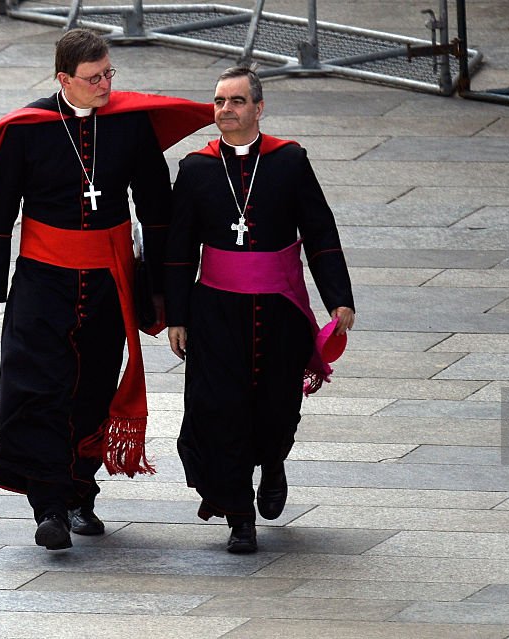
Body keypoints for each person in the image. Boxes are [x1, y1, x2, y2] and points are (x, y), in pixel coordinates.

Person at [0, 28, 213, 551]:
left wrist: (165, 293)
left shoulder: (129, 126)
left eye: (109, 73)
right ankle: (49, 508)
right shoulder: (27, 130)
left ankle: (81, 494)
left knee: (92, 390)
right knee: (37, 391)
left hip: (108, 283)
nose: (105, 84)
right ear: (64, 80)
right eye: (94, 77)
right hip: (41, 282)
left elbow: (157, 213)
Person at [165, 67, 355, 553]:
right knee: (219, 410)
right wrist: (178, 316)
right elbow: (180, 250)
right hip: (216, 312)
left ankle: (273, 464)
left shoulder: (289, 161)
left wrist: (339, 298)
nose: (224, 110)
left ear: (258, 108)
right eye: (219, 100)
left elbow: (319, 231)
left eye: (236, 101)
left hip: (279, 311)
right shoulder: (195, 169)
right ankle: (240, 516)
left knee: (277, 407)